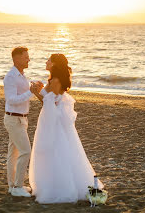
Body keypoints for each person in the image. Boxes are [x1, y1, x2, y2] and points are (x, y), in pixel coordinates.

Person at [29, 61, 104, 204]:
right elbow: (49, 100)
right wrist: (39, 90)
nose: (47, 62)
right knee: (49, 151)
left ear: (55, 64)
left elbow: (50, 103)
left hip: (52, 120)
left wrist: (35, 93)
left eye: (50, 60)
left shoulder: (56, 81)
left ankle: (58, 188)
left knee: (55, 151)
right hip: (47, 117)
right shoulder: (52, 80)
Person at [3, 46, 43, 197]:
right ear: (16, 58)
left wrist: (33, 87)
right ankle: (17, 186)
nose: (29, 59)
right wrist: (30, 92)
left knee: (13, 153)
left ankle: (13, 186)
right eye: (26, 57)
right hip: (14, 118)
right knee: (25, 151)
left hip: (21, 119)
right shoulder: (11, 77)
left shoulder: (21, 75)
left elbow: (24, 92)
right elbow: (11, 100)